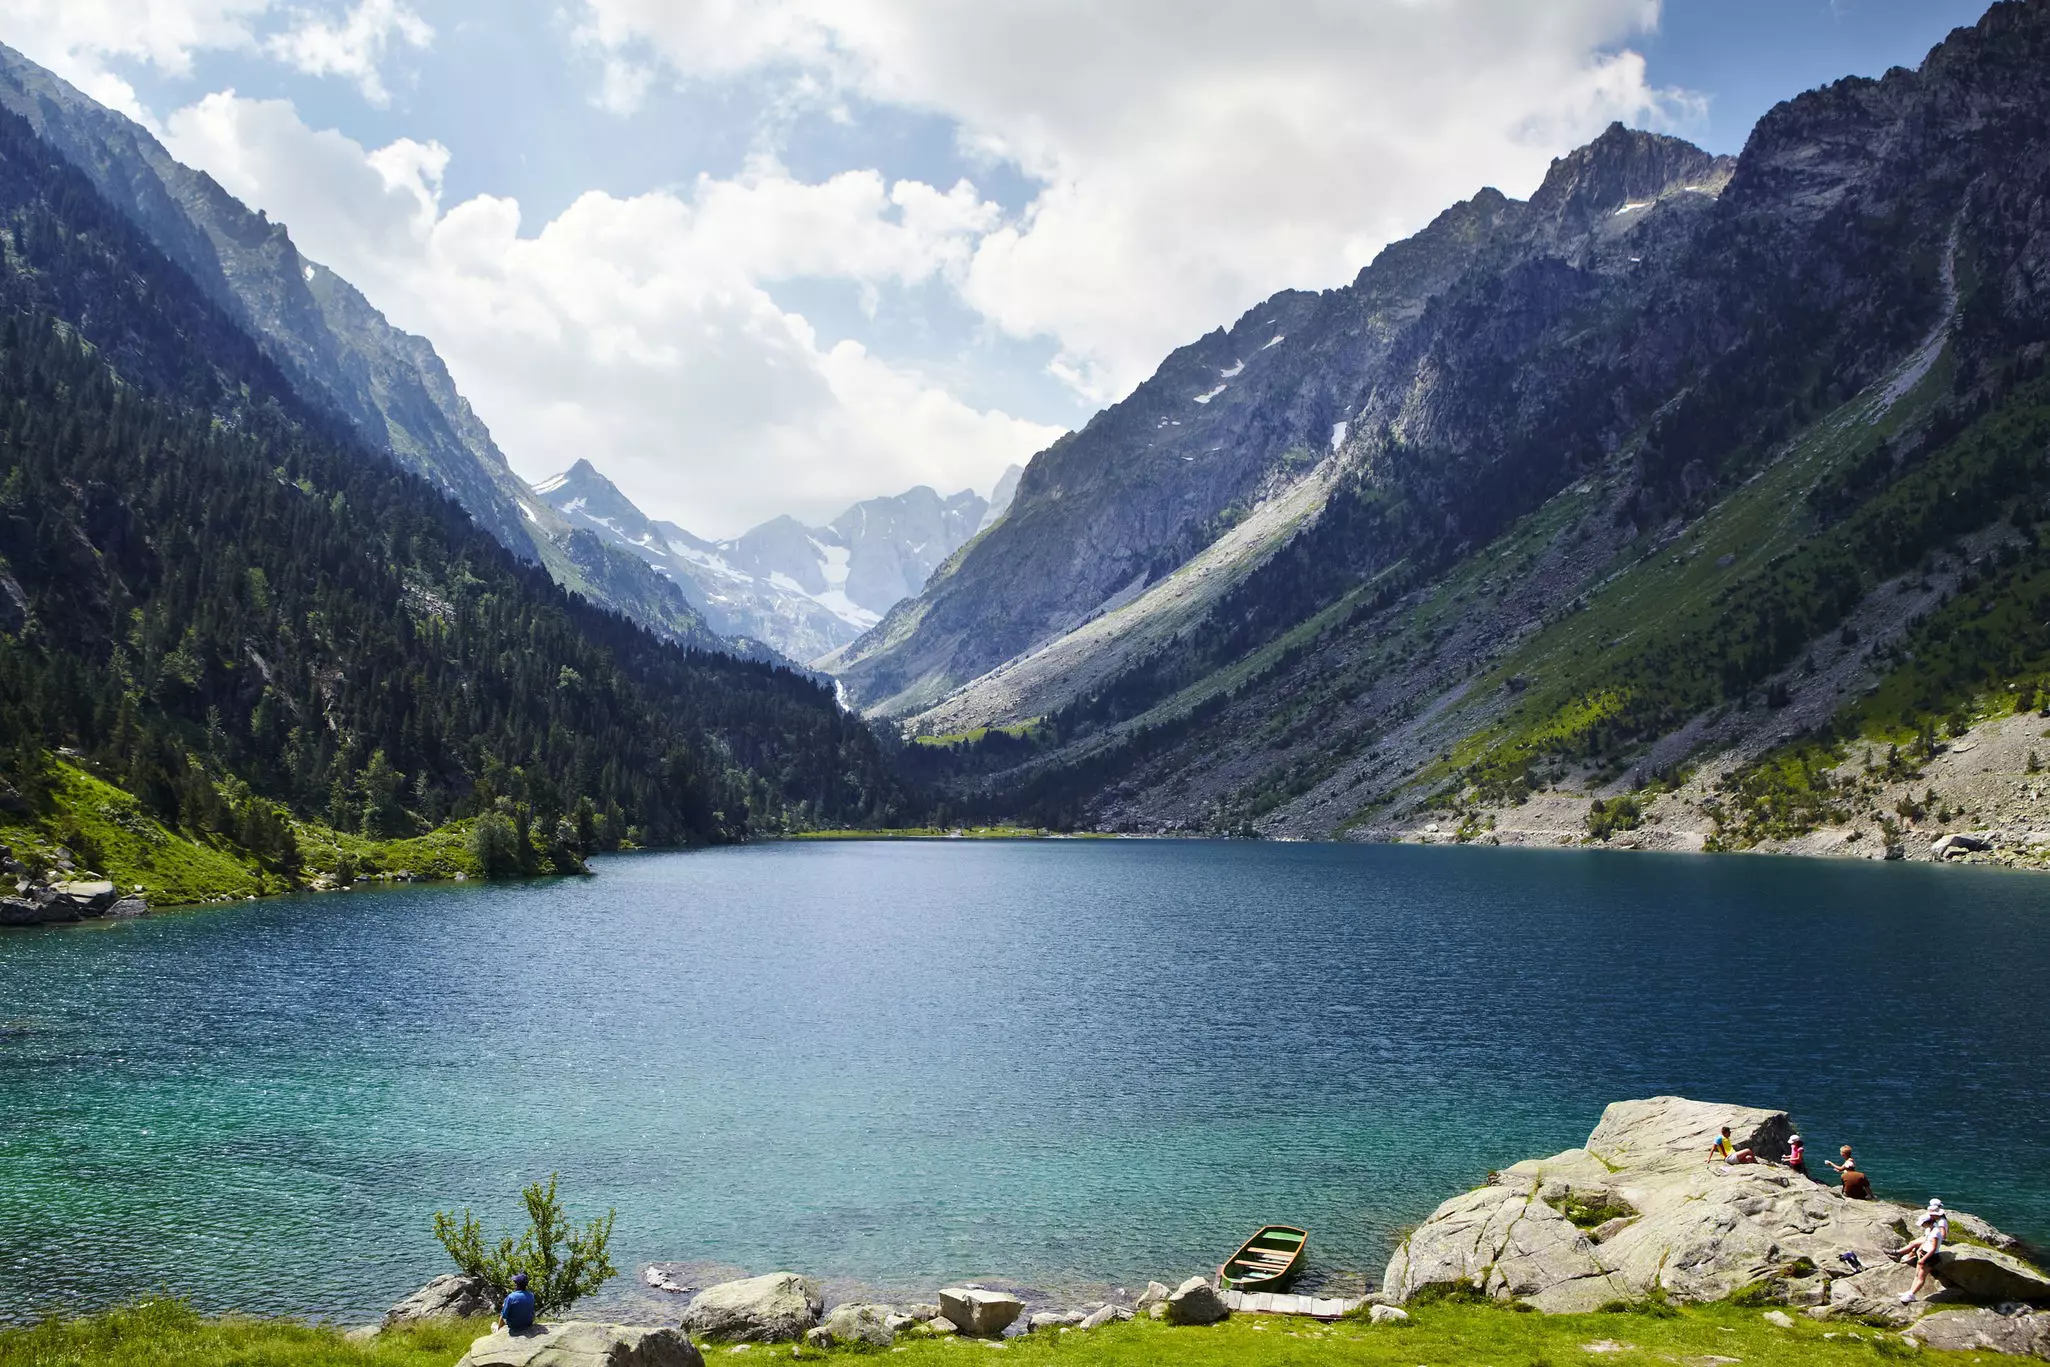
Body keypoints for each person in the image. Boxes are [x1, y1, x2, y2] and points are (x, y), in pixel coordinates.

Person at [1891, 1199, 1949, 1303]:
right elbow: (1927, 1241)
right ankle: (1910, 1292)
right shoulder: (1931, 1230)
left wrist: (1923, 1259)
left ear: (1927, 1222)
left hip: (1930, 1257)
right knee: (1917, 1274)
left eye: (1923, 1224)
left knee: (1921, 1276)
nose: (1922, 1225)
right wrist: (1919, 1250)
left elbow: (1934, 1248)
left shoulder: (1935, 1232)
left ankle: (1911, 1294)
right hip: (1923, 1253)